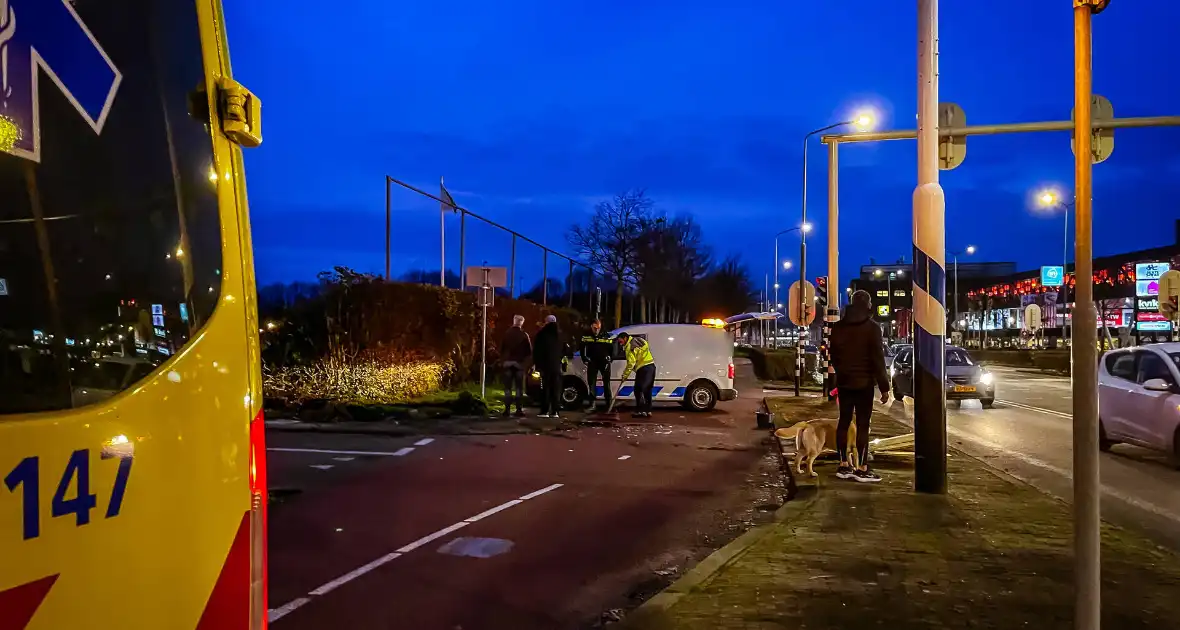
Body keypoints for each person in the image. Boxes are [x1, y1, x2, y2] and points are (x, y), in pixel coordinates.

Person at [829, 289, 890, 483]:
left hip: (845, 382)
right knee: (863, 425)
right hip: (864, 384)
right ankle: (862, 468)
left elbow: (833, 355)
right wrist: (884, 387)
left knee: (844, 422)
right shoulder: (872, 328)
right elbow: (878, 360)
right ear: (868, 304)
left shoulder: (838, 327)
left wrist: (841, 374)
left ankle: (843, 465)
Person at [498, 315, 532, 418]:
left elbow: (501, 348)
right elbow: (529, 351)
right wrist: (525, 363)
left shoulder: (506, 334)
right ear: (522, 323)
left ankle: (507, 410)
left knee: (507, 388)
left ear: (513, 321)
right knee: (519, 388)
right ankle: (518, 410)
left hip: (507, 363)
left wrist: (503, 360)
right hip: (519, 364)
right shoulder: (524, 335)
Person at [616, 331, 655, 418]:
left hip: (643, 369)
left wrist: (625, 375)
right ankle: (648, 411)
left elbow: (631, 363)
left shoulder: (629, 347)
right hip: (651, 366)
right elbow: (645, 346)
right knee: (647, 390)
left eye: (621, 341)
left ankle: (640, 411)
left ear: (625, 338)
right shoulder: (638, 340)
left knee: (638, 390)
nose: (620, 343)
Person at [532, 314, 564, 418]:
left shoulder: (541, 335)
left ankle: (544, 411)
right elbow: (566, 349)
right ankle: (555, 411)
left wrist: (536, 365)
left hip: (545, 366)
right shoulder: (560, 335)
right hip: (556, 366)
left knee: (545, 388)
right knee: (556, 389)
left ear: (546, 322)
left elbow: (537, 351)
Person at [579, 319, 615, 410]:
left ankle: (608, 404)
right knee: (591, 384)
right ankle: (592, 404)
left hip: (604, 362)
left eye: (598, 328)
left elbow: (613, 348)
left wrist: (611, 358)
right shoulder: (586, 336)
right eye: (595, 328)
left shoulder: (606, 335)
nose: (597, 330)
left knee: (606, 384)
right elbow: (582, 348)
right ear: (591, 326)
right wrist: (584, 359)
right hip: (592, 362)